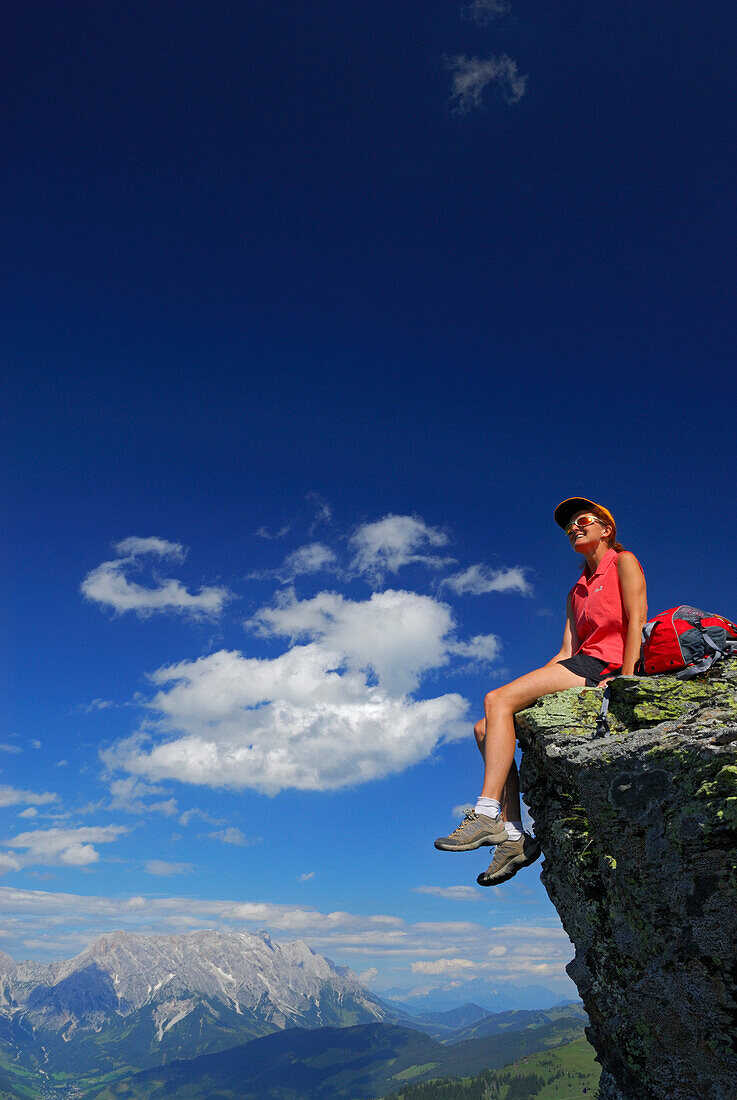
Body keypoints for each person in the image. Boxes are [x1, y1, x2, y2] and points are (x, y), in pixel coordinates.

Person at [435, 497, 647, 887]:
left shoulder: (624, 562)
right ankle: (514, 835)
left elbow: (637, 619)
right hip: (580, 662)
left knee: (497, 699)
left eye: (584, 521)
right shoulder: (576, 591)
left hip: (607, 665)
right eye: (569, 527)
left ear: (606, 529)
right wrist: (526, 686)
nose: (574, 528)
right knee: (485, 726)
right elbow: (566, 652)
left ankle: (486, 813)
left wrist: (627, 678)